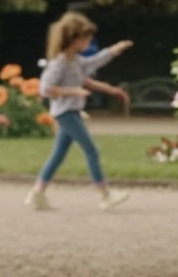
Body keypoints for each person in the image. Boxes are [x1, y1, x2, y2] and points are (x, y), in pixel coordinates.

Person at [27, 12, 132, 211]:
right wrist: (73, 91)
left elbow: (91, 68)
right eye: (86, 38)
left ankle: (37, 193)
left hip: (71, 111)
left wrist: (111, 85)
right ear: (74, 38)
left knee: (58, 155)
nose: (89, 41)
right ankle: (105, 195)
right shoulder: (59, 63)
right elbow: (45, 88)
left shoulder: (75, 61)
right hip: (66, 113)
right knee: (92, 150)